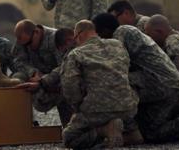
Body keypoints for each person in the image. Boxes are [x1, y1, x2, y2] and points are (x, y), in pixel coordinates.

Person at [92, 13, 179, 144]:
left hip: (159, 82)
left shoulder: (121, 33)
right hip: (169, 83)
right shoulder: (130, 31)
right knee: (151, 132)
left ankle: (130, 131)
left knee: (118, 83)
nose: (98, 39)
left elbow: (117, 66)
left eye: (97, 35)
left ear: (105, 31)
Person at [60, 20, 139, 149]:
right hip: (128, 107)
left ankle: (105, 130)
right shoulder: (118, 45)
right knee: (119, 113)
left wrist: (79, 108)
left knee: (69, 138)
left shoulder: (76, 54)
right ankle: (131, 133)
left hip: (97, 109)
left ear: (79, 35)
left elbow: (70, 87)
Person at [12, 20, 72, 127]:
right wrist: (33, 72)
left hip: (55, 79)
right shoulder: (24, 39)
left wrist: (43, 80)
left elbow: (65, 66)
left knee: (67, 82)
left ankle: (71, 124)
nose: (28, 47)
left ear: (37, 32)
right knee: (17, 79)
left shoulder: (56, 38)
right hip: (36, 76)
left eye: (29, 43)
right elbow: (18, 60)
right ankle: (23, 124)